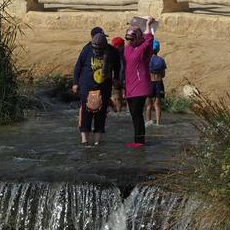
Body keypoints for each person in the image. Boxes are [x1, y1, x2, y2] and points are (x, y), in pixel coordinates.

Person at [71, 30, 120, 145]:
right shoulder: (87, 50)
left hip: (104, 88)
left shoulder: (112, 52)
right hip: (86, 87)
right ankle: (84, 141)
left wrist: (117, 79)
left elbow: (117, 67)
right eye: (95, 48)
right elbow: (78, 66)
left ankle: (97, 142)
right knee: (85, 114)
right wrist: (75, 83)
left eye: (100, 49)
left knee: (101, 114)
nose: (97, 51)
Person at [122, 18, 156, 147]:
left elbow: (149, 39)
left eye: (131, 38)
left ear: (137, 37)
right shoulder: (127, 49)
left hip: (141, 86)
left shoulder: (144, 49)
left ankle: (140, 141)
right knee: (133, 115)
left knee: (137, 114)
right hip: (130, 87)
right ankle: (137, 139)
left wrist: (147, 24)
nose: (129, 41)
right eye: (127, 39)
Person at [146, 41, 167, 127]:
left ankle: (149, 121)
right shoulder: (161, 60)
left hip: (149, 82)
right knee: (157, 105)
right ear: (158, 49)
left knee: (149, 105)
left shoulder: (147, 60)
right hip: (159, 82)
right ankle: (158, 123)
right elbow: (163, 75)